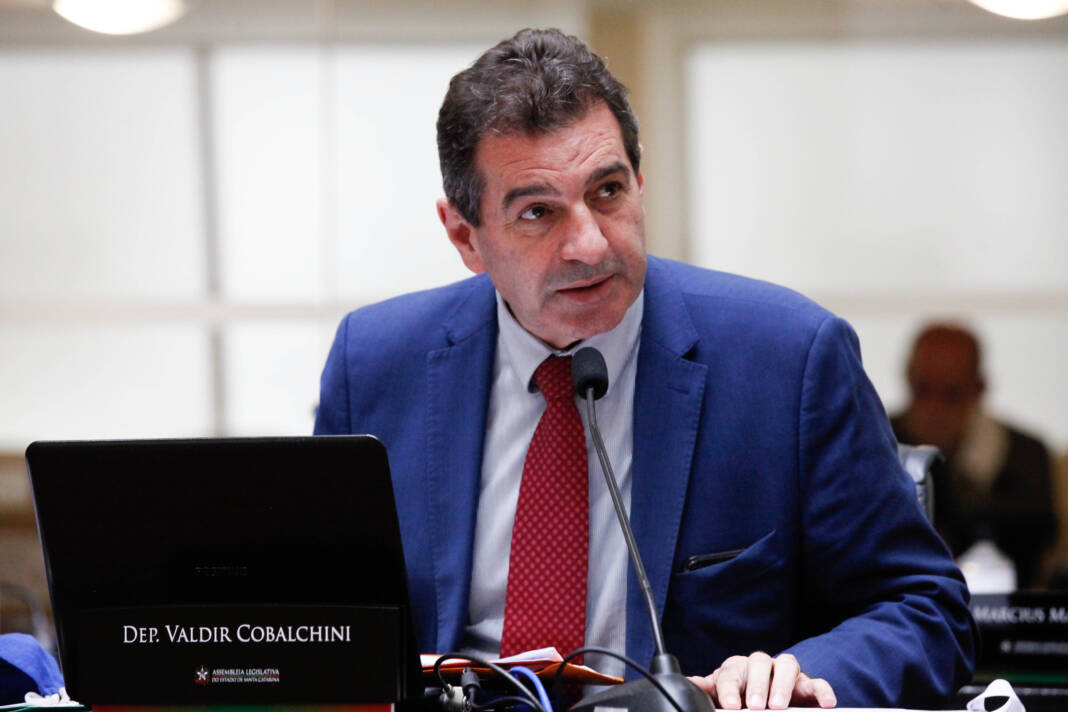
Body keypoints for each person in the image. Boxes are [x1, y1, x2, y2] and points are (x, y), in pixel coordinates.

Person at [315, 28, 976, 710]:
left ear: (640, 182)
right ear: (465, 236)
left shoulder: (789, 360)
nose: (589, 244)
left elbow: (925, 608)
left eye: (607, 191)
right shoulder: (375, 364)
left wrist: (799, 673)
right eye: (538, 212)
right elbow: (311, 623)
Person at [891, 323, 1057, 589]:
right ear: (908, 379)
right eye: (924, 390)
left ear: (979, 388)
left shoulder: (1025, 454)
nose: (934, 409)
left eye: (951, 394)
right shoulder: (876, 443)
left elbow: (1034, 552)